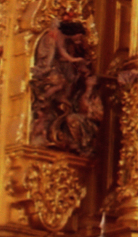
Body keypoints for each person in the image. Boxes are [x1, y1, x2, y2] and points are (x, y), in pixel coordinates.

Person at [29, 20, 103, 155]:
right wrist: (73, 60)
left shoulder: (87, 90)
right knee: (59, 85)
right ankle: (44, 99)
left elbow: (94, 113)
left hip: (61, 75)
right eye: (79, 37)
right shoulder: (57, 37)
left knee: (63, 88)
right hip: (50, 69)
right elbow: (60, 53)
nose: (79, 40)